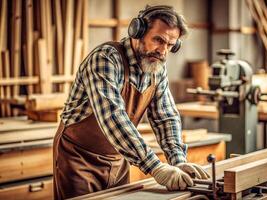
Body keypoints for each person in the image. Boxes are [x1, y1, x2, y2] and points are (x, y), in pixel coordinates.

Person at [53, 5, 210, 199]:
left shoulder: (157, 68)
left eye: (170, 45)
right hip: (79, 158)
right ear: (138, 31)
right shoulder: (105, 59)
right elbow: (113, 118)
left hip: (119, 157)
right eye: (158, 40)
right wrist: (156, 167)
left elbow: (166, 117)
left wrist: (177, 160)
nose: (163, 51)